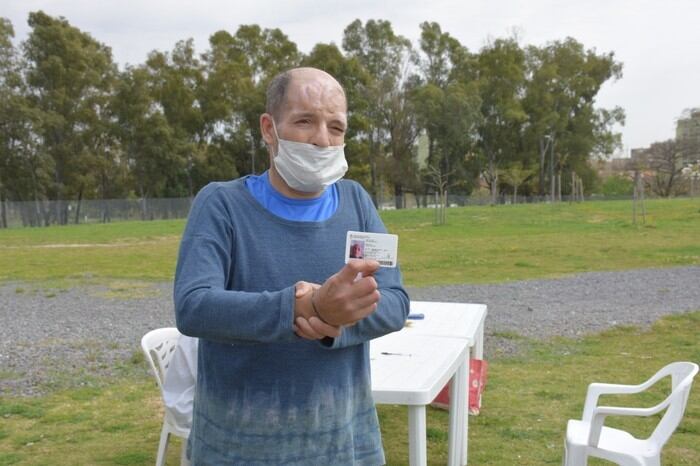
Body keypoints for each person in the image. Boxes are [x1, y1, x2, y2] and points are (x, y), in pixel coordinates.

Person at [174, 67, 409, 465]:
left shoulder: (356, 203)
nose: (322, 139)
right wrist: (301, 309)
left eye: (336, 127)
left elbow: (395, 300)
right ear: (269, 128)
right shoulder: (222, 205)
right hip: (239, 448)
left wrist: (335, 320)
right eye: (305, 121)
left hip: (343, 445)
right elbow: (194, 306)